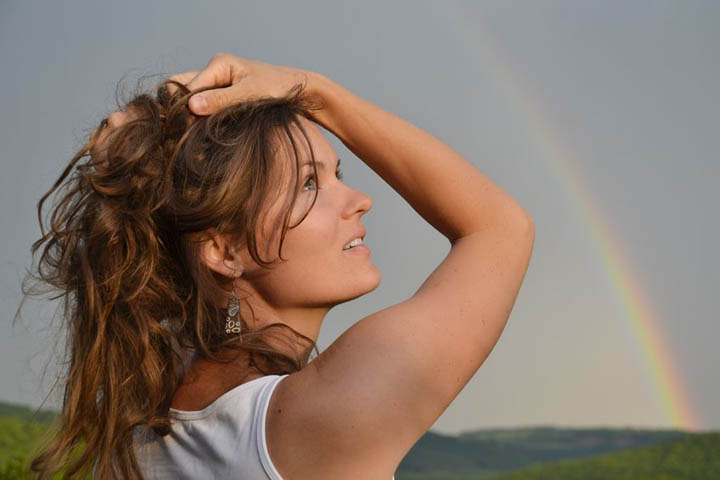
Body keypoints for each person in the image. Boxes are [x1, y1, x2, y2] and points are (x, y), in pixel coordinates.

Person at [26, 54, 535, 479]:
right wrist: (316, 93)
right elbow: (499, 229)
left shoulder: (138, 431)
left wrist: (153, 143)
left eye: (338, 175)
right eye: (309, 185)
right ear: (224, 251)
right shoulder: (322, 416)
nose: (360, 201)